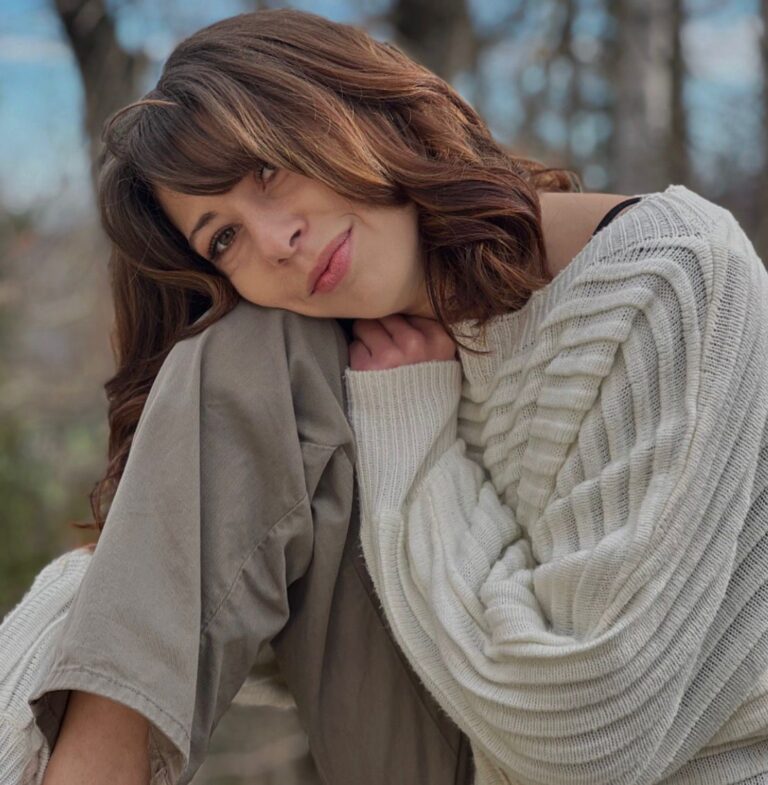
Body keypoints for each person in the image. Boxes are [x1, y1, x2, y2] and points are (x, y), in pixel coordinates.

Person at [3, 6, 768, 785]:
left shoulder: (673, 279)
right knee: (248, 351)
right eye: (223, 238)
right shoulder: (334, 355)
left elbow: (593, 743)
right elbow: (209, 596)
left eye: (266, 168)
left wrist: (415, 436)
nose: (275, 240)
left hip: (611, 762)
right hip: (455, 735)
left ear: (350, 102)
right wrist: (116, 567)